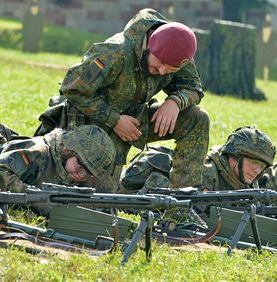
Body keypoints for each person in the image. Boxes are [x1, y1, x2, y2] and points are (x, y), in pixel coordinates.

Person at [35, 8, 209, 189]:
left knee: (197, 118)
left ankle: (180, 204)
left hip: (134, 120)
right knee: (98, 201)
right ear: (150, 46)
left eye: (171, 70)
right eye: (160, 64)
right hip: (93, 125)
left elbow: (193, 88)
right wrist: (115, 120)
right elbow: (73, 88)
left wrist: (175, 102)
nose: (163, 72)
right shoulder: (116, 52)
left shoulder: (178, 52)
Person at [120, 126, 276, 192]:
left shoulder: (250, 186)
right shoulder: (203, 173)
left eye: (262, 166)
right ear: (234, 157)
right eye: (254, 163)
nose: (257, 170)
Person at [0, 125, 116, 193]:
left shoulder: (69, 166)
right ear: (68, 150)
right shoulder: (37, 154)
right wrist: (32, 195)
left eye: (89, 173)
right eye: (81, 167)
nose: (81, 175)